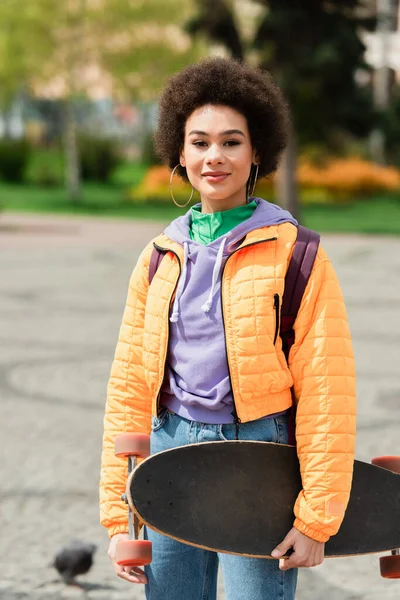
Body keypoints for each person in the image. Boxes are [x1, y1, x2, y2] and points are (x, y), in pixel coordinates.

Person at [100, 56, 356, 600]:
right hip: (169, 456)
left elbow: (326, 391)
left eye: (231, 141)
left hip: (258, 458)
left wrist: (316, 517)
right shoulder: (157, 258)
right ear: (180, 152)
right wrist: (119, 515)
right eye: (199, 142)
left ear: (257, 151)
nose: (214, 156)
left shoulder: (300, 254)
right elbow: (128, 390)